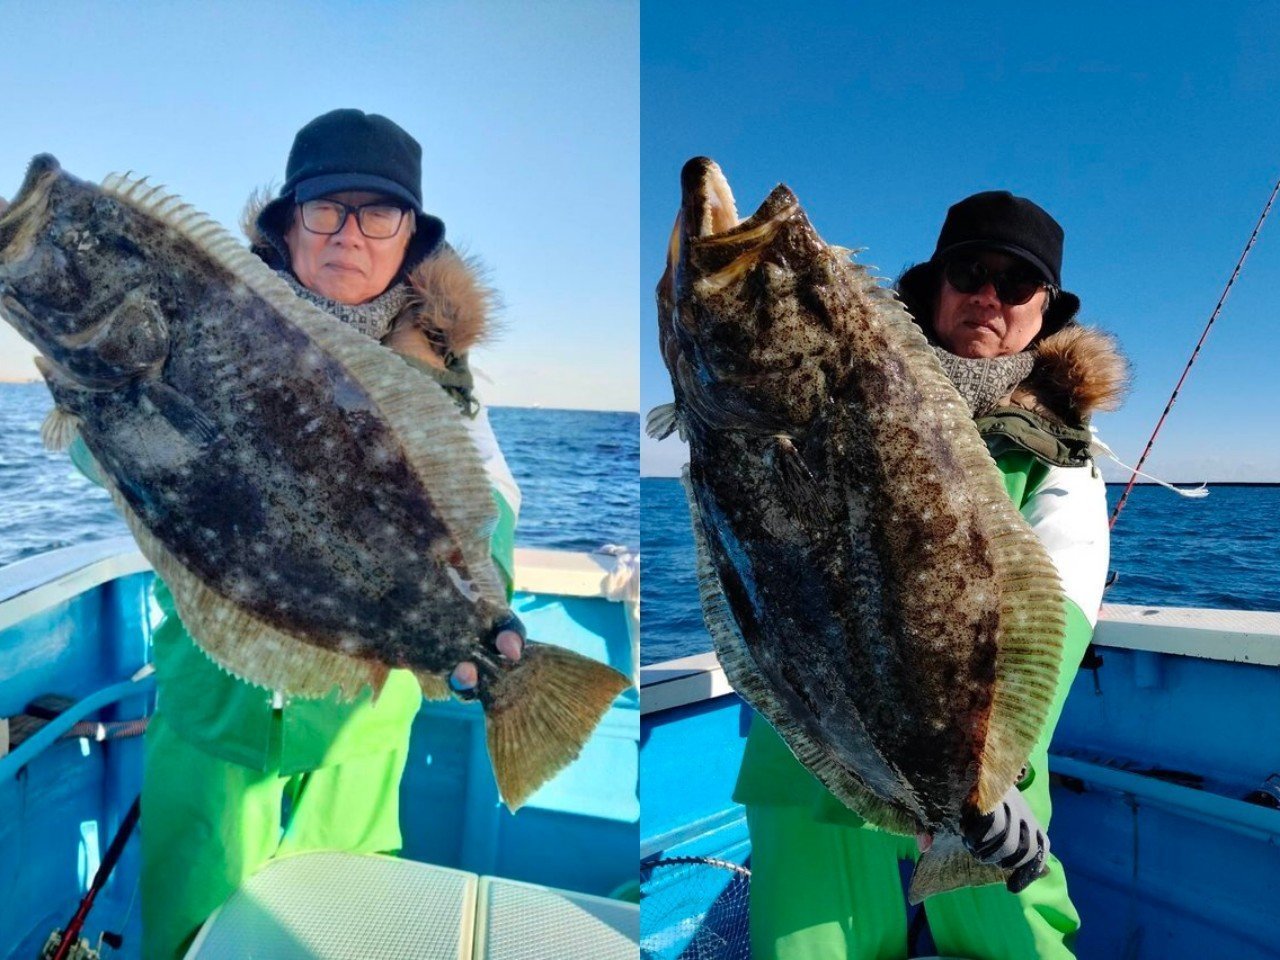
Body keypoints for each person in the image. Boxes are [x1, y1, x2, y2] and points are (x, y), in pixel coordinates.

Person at [115, 108, 524, 959]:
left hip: (357, 738)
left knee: (341, 938)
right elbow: (111, 456)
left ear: (408, 237)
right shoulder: (198, 329)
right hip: (209, 719)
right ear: (286, 223)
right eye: (325, 208)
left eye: (378, 213)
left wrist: (490, 618)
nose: (349, 234)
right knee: (187, 938)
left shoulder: (445, 393)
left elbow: (488, 521)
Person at [734, 191, 1127, 959]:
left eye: (1016, 285)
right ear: (934, 284)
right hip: (815, 740)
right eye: (969, 272)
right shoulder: (829, 384)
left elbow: (1066, 596)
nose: (989, 295)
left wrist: (989, 774)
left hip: (983, 764)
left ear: (1044, 311)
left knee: (1016, 943)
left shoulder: (1060, 454)